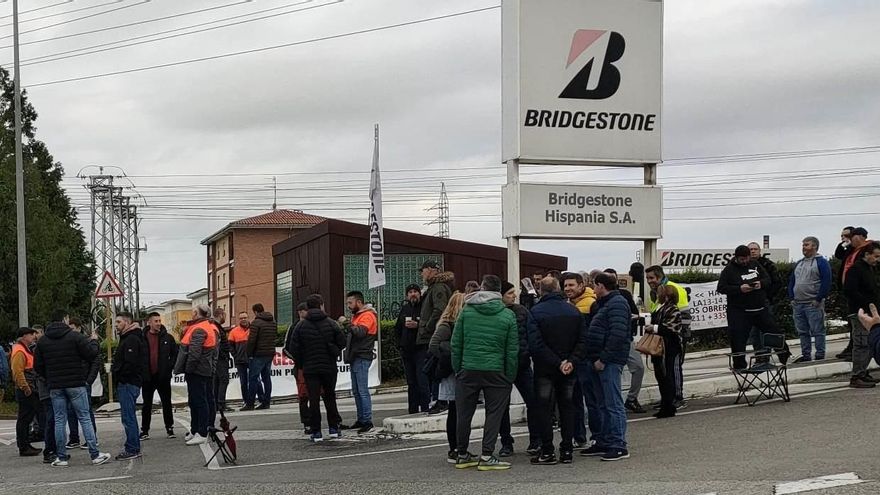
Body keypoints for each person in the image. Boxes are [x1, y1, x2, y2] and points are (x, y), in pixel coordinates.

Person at [452, 275, 518, 471]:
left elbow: (457, 343)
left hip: (468, 368)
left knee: (464, 413)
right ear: (498, 292)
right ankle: (487, 455)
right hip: (496, 371)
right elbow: (512, 350)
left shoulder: (467, 311)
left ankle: (462, 454)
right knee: (494, 413)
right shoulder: (507, 315)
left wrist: (459, 368)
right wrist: (510, 375)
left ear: (482, 288)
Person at [34, 309, 111, 467]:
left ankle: (61, 457)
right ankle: (95, 455)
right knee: (85, 417)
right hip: (76, 383)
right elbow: (91, 354)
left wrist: (49, 379)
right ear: (65, 319)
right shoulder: (75, 337)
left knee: (59, 420)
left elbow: (38, 366)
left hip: (55, 386)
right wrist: (94, 341)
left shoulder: (42, 341)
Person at [529, 277, 588, 466]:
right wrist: (570, 361)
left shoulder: (535, 312)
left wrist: (556, 362)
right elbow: (582, 341)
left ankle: (547, 450)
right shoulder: (573, 311)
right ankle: (567, 449)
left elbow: (535, 344)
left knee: (544, 408)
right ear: (558, 289)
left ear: (541, 291)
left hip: (545, 367)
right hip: (569, 368)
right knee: (567, 408)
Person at [579, 272, 632, 461]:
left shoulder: (616, 304)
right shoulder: (604, 304)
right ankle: (604, 440)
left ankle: (618, 444)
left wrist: (604, 358)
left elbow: (617, 334)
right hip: (597, 359)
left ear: (601, 286)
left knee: (613, 403)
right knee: (601, 403)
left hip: (608, 361)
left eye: (595, 285)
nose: (593, 289)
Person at [717, 245, 788, 370]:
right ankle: (739, 365)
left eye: (746, 259)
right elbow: (721, 288)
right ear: (736, 258)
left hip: (759, 307)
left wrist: (760, 284)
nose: (744, 262)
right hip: (739, 311)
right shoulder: (729, 270)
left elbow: (768, 279)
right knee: (738, 338)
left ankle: (784, 356)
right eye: (742, 259)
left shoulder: (755, 264)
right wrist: (739, 289)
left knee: (774, 331)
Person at [288, 294, 347, 443]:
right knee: (330, 397)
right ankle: (334, 428)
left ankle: (316, 431)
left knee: (313, 400)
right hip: (329, 367)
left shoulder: (300, 326)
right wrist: (332, 351)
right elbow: (343, 342)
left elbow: (293, 348)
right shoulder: (331, 323)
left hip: (310, 368)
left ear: (307, 308)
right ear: (321, 305)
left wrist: (302, 363)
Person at [498, 281, 542, 458]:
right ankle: (506, 442)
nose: (514, 296)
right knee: (501, 406)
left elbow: (531, 334)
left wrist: (528, 353)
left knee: (533, 401)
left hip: (522, 364)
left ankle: (535, 439)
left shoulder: (522, 311)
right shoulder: (496, 313)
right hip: (501, 367)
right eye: (509, 293)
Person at [645, 265, 690, 408]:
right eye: (647, 278)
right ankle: (667, 397)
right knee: (662, 370)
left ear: (660, 276)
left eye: (651, 278)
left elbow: (684, 317)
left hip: (674, 338)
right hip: (660, 338)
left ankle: (678, 397)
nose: (649, 281)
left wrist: (679, 336)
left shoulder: (674, 289)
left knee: (673, 368)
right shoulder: (654, 293)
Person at [428, 292, 466, 463]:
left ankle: (459, 446)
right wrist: (450, 359)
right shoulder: (447, 325)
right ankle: (454, 447)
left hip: (457, 370)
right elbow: (434, 345)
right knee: (455, 409)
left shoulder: (455, 324)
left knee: (458, 409)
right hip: (451, 372)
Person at [174, 304, 218, 446]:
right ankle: (195, 430)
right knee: (195, 401)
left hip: (198, 371)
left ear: (197, 314)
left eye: (194, 312)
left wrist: (189, 369)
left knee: (199, 401)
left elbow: (194, 353)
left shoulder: (199, 329)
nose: (192, 314)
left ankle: (202, 432)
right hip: (201, 370)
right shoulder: (204, 326)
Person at [605, 268, 647, 414]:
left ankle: (631, 399)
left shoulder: (625, 295)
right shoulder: (599, 299)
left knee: (639, 367)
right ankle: (612, 404)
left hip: (626, 339)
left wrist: (630, 319)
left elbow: (636, 313)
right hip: (609, 342)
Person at [560, 272, 595, 445]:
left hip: (585, 359)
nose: (568, 289)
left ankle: (596, 437)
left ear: (581, 285)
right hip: (573, 360)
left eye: (571, 285)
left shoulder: (589, 304)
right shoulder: (569, 305)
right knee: (575, 401)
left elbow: (586, 336)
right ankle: (580, 437)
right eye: (566, 286)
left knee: (590, 400)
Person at [417, 260, 454, 411]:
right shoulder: (433, 287)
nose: (422, 273)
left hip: (434, 335)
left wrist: (427, 327)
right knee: (432, 368)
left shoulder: (438, 287)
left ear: (432, 270)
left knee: (434, 368)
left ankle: (440, 400)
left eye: (423, 270)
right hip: (431, 333)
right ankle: (438, 399)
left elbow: (439, 310)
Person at [788, 237, 832, 363]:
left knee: (817, 330)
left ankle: (819, 355)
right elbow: (792, 281)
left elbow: (826, 281)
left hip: (813, 303)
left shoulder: (821, 262)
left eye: (806, 245)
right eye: (803, 245)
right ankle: (805, 355)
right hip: (798, 303)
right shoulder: (799, 263)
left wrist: (818, 298)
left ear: (815, 246)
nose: (803, 247)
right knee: (802, 332)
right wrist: (791, 297)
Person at [340, 291, 379, 434]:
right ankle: (361, 418)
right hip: (356, 356)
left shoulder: (367, 315)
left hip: (362, 356)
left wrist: (346, 323)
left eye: (350, 303)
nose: (348, 306)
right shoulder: (358, 316)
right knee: (357, 391)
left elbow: (360, 333)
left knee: (362, 390)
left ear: (359, 302)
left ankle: (367, 420)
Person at [843, 241, 880, 388]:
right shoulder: (856, 269)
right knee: (861, 343)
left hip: (871, 312)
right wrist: (866, 305)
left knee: (870, 343)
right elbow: (850, 291)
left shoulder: (871, 269)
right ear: (867, 255)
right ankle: (857, 375)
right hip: (859, 312)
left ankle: (863, 372)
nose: (877, 260)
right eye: (876, 256)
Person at [112, 311, 148, 460]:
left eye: (119, 322)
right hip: (129, 382)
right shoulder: (129, 337)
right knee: (128, 416)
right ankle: (132, 446)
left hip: (128, 383)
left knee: (128, 417)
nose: (116, 325)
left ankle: (132, 448)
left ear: (127, 322)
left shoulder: (131, 339)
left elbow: (130, 363)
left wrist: (120, 376)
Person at [645, 285, 683, 418]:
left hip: (669, 348)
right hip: (659, 348)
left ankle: (668, 406)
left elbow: (671, 329)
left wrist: (654, 328)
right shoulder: (661, 308)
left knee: (668, 376)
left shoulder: (673, 309)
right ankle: (665, 404)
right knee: (661, 376)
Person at [140, 312, 179, 440]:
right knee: (147, 404)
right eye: (155, 321)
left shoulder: (168, 337)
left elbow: (175, 353)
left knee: (166, 403)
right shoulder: (142, 337)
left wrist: (169, 367)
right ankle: (145, 431)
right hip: (147, 377)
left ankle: (170, 428)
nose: (158, 323)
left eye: (159, 320)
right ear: (149, 322)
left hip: (163, 376)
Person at [838, 227, 874, 362]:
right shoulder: (852, 251)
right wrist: (844, 243)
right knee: (855, 326)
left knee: (861, 329)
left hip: (862, 296)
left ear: (859, 236)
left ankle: (860, 362)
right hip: (852, 294)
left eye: (850, 236)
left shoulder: (867, 250)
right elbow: (839, 254)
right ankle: (852, 350)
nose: (848, 239)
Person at [65, 317, 101, 449]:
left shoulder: (86, 342)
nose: (70, 332)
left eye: (73, 329)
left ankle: (92, 438)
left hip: (83, 381)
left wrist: (88, 381)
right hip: (70, 381)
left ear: (79, 328)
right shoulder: (68, 342)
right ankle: (74, 438)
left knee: (85, 411)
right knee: (70, 411)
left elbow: (95, 361)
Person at [395, 284, 427, 414]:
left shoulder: (424, 307)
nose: (413, 294)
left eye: (415, 292)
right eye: (410, 292)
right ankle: (412, 410)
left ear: (419, 294)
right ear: (407, 295)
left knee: (422, 380)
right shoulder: (405, 308)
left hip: (421, 348)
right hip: (407, 351)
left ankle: (426, 408)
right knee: (411, 382)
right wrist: (400, 345)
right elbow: (397, 328)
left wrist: (418, 325)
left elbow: (430, 325)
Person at [11, 327, 42, 457]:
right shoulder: (19, 351)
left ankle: (25, 445)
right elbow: (18, 372)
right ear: (24, 336)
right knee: (24, 419)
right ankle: (24, 446)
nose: (34, 336)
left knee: (26, 418)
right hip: (26, 390)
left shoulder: (24, 349)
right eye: (31, 334)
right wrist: (26, 388)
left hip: (29, 388)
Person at [244, 303, 277, 411]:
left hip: (258, 354)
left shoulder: (256, 323)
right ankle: (266, 402)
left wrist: (249, 354)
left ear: (255, 312)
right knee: (266, 378)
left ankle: (250, 403)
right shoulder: (273, 322)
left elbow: (252, 340)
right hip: (270, 353)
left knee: (253, 378)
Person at [228, 311, 258, 408]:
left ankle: (258, 399)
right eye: (241, 318)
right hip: (240, 360)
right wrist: (235, 356)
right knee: (243, 382)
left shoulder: (254, 329)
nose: (243, 320)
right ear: (239, 319)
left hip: (252, 359)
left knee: (256, 380)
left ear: (248, 317)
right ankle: (246, 401)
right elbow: (230, 346)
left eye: (245, 317)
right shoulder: (234, 331)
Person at [835, 226, 855, 360]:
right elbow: (838, 255)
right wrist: (842, 244)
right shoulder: (846, 250)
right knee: (850, 321)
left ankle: (855, 348)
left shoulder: (856, 251)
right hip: (846, 290)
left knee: (856, 322)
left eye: (846, 236)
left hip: (855, 290)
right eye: (842, 236)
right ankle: (851, 347)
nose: (843, 239)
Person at [211, 308, 232, 418]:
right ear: (220, 315)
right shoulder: (216, 327)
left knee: (218, 381)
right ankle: (221, 403)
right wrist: (223, 355)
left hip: (219, 358)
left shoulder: (216, 327)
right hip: (220, 358)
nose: (225, 317)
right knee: (223, 380)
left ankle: (217, 403)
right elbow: (218, 344)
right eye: (225, 315)